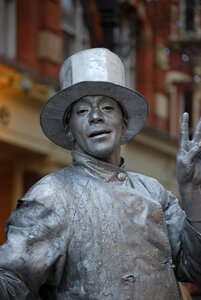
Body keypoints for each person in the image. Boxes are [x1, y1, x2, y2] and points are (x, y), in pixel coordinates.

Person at [0, 48, 201, 300]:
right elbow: (11, 283)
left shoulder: (154, 191)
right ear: (70, 129)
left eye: (107, 107)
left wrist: (193, 194)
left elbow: (194, 269)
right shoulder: (52, 195)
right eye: (82, 111)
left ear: (123, 122)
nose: (96, 117)